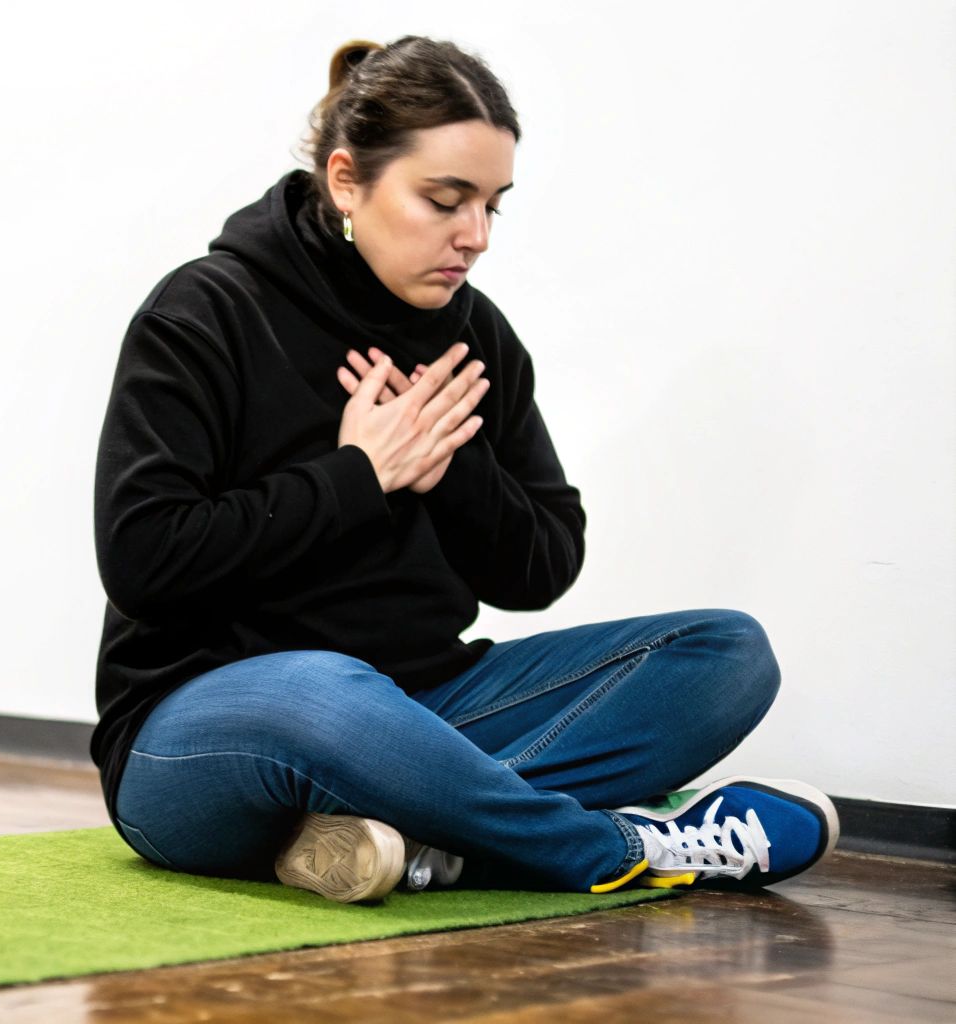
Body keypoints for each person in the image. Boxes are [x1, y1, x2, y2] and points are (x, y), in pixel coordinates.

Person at [89, 35, 838, 904]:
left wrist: (448, 467)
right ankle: (617, 846)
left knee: (726, 653)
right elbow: (145, 560)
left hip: (429, 713)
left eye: (493, 205)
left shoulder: (476, 339)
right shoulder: (206, 312)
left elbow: (542, 568)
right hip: (201, 738)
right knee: (326, 689)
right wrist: (360, 474)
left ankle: (417, 836)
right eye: (444, 200)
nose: (475, 236)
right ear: (345, 181)